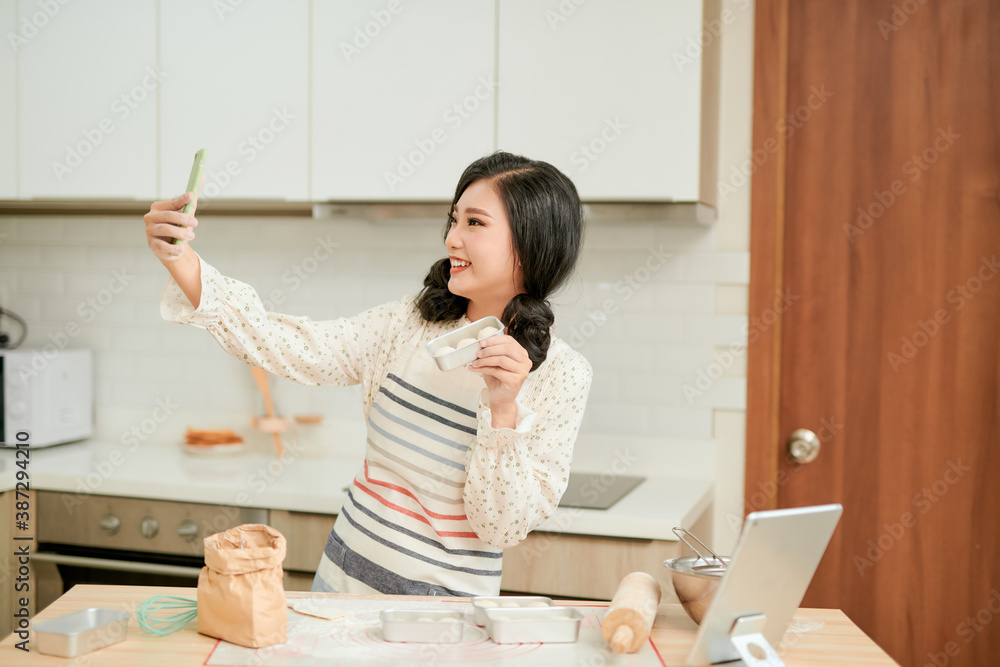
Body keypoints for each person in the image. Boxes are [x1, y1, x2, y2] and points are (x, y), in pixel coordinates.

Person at [144, 151, 593, 597]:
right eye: (454, 220)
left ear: (532, 243)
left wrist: (502, 409)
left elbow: (501, 527)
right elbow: (292, 346)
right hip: (339, 590)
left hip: (442, 623)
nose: (453, 239)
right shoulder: (407, 324)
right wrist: (180, 260)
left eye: (474, 223)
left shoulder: (562, 376)